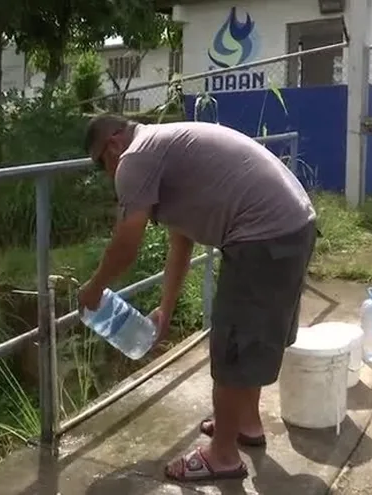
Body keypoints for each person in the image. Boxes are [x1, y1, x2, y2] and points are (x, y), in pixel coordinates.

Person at [77, 114, 316, 483]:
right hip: (288, 225)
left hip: (263, 236)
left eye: (100, 165)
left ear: (111, 145)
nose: (107, 175)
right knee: (248, 337)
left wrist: (94, 288)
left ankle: (221, 456)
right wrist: (166, 308)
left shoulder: (134, 159)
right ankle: (245, 424)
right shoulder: (161, 147)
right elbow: (181, 240)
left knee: (231, 342)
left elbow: (127, 245)